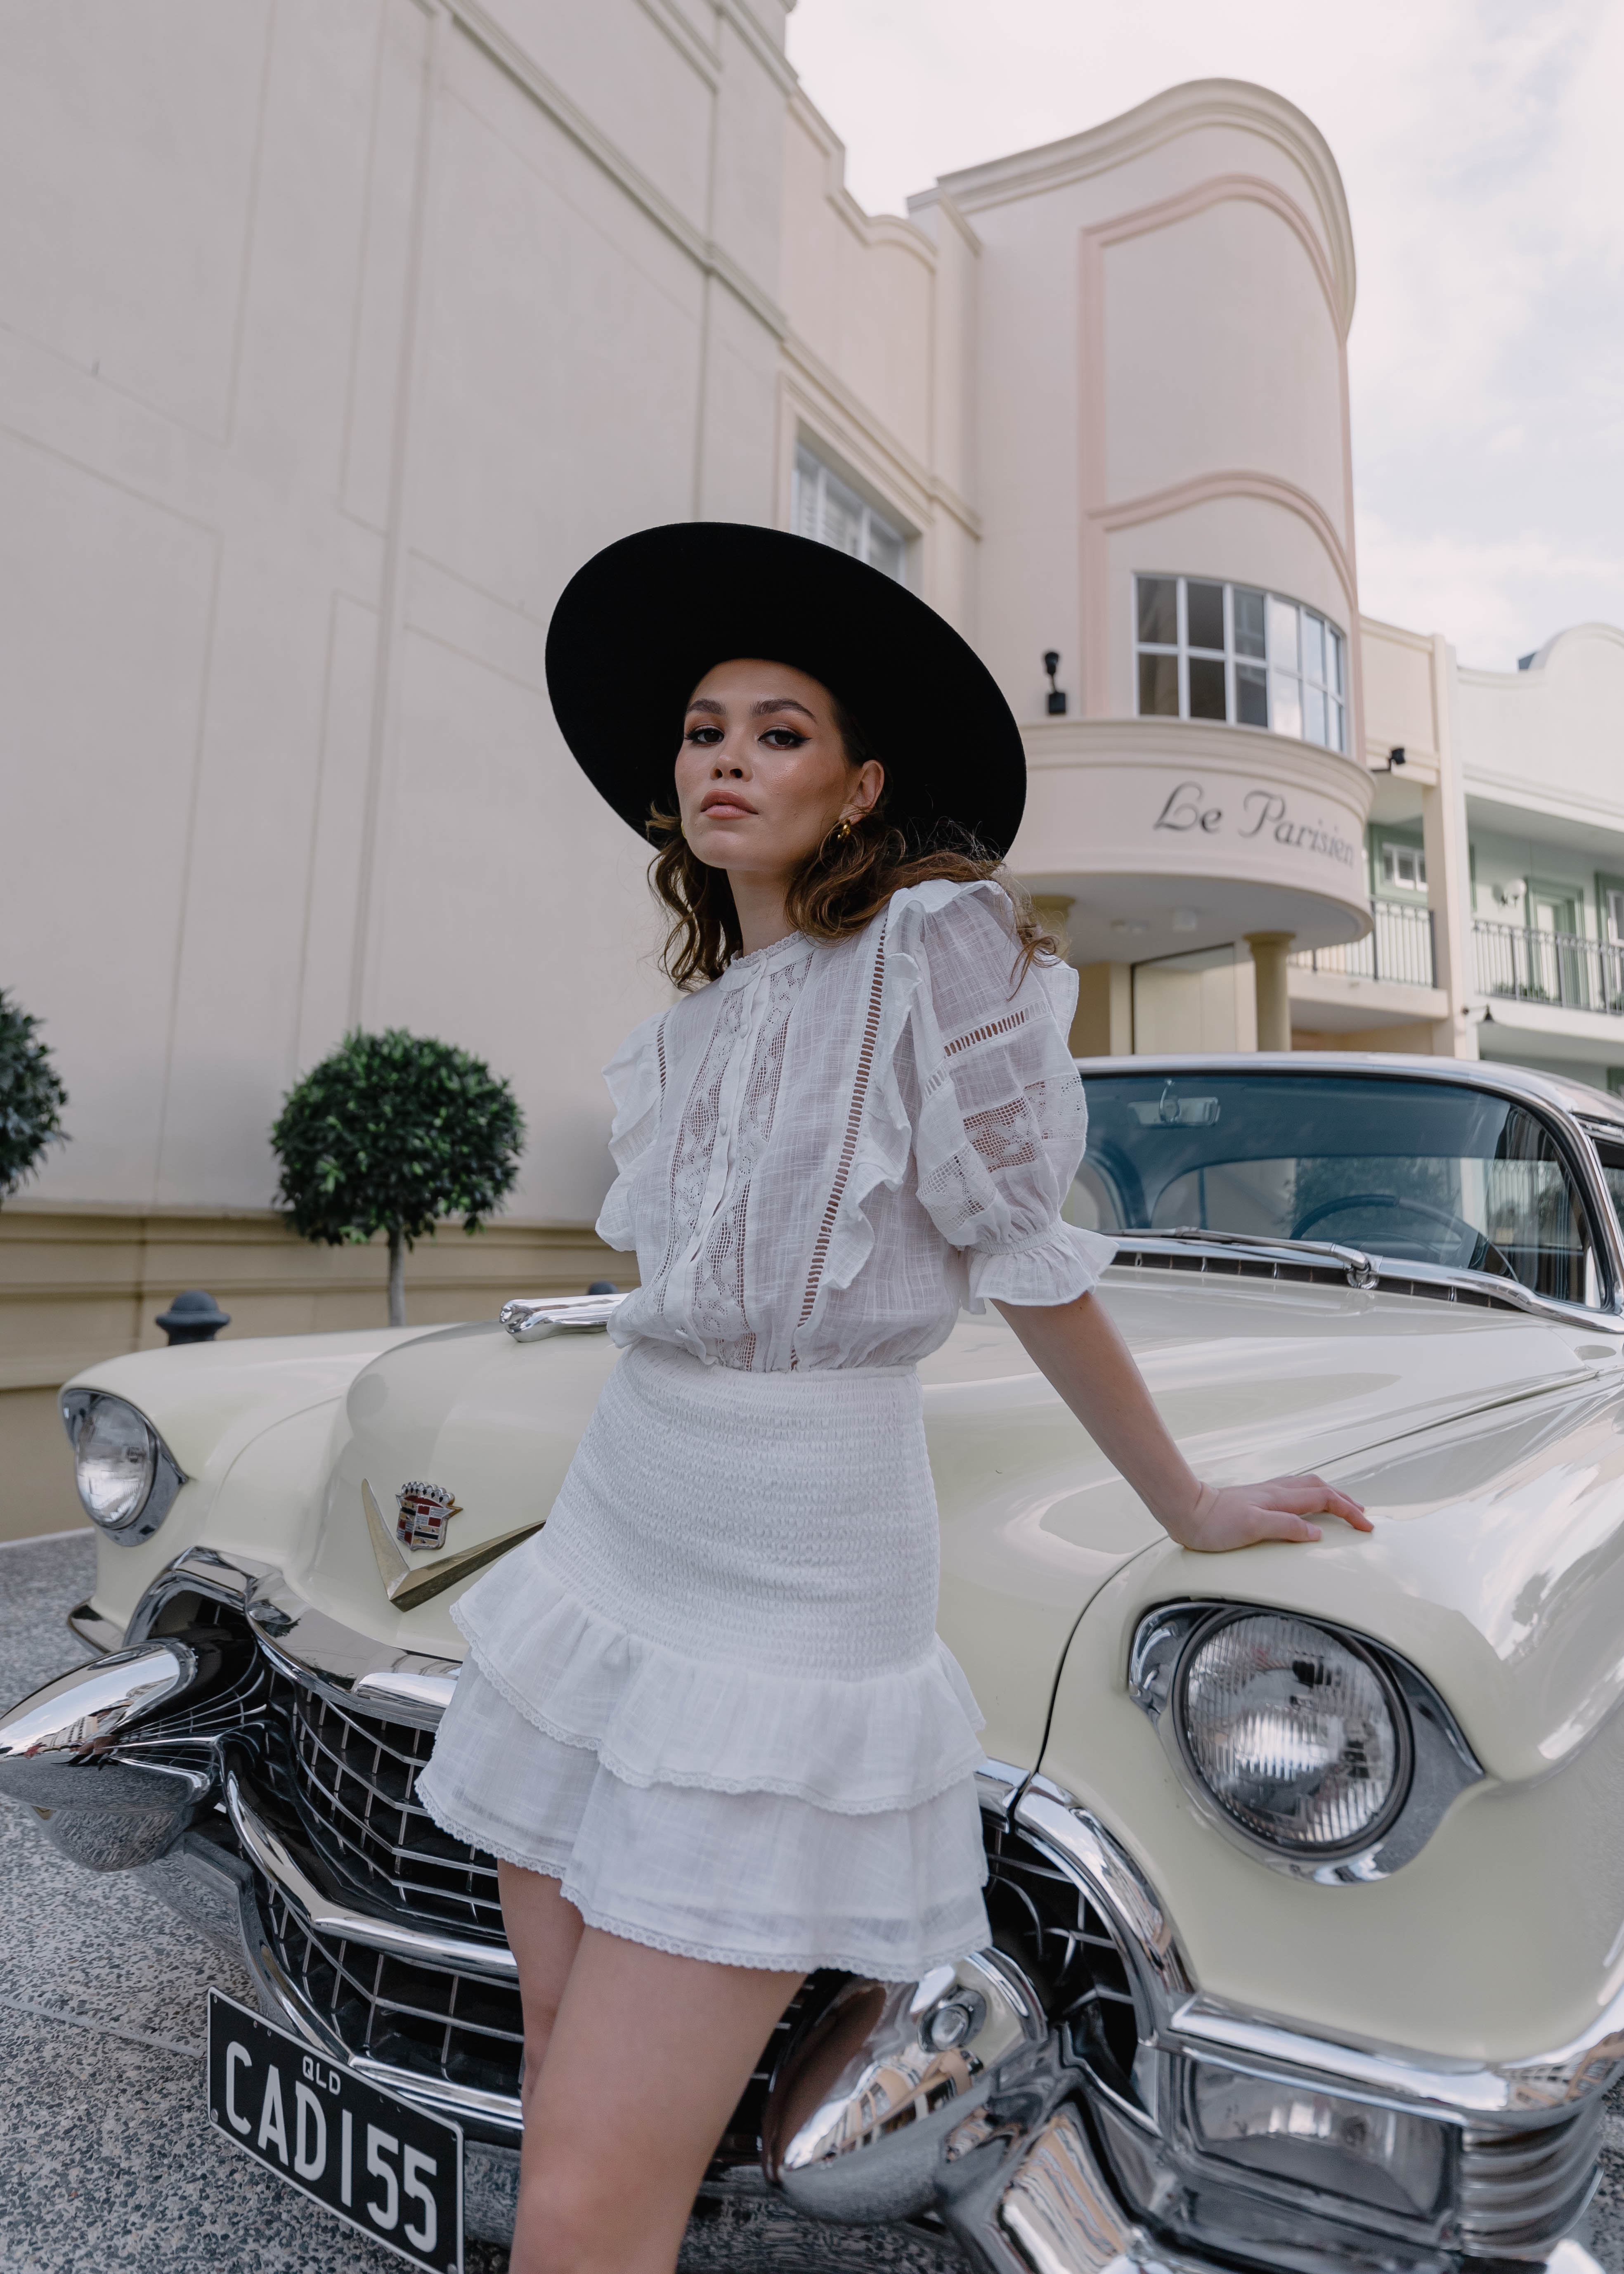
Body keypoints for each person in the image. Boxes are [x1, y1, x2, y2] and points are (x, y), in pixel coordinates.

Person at [416, 523, 1370, 2274]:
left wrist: (1191, 1503)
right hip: (619, 1545)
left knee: (585, 2200)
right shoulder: (698, 1023)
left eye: (780, 731)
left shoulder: (937, 951)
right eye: (705, 727)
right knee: (558, 2095)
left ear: (862, 789)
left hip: (794, 1594)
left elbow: (1034, 1251)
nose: (727, 756)